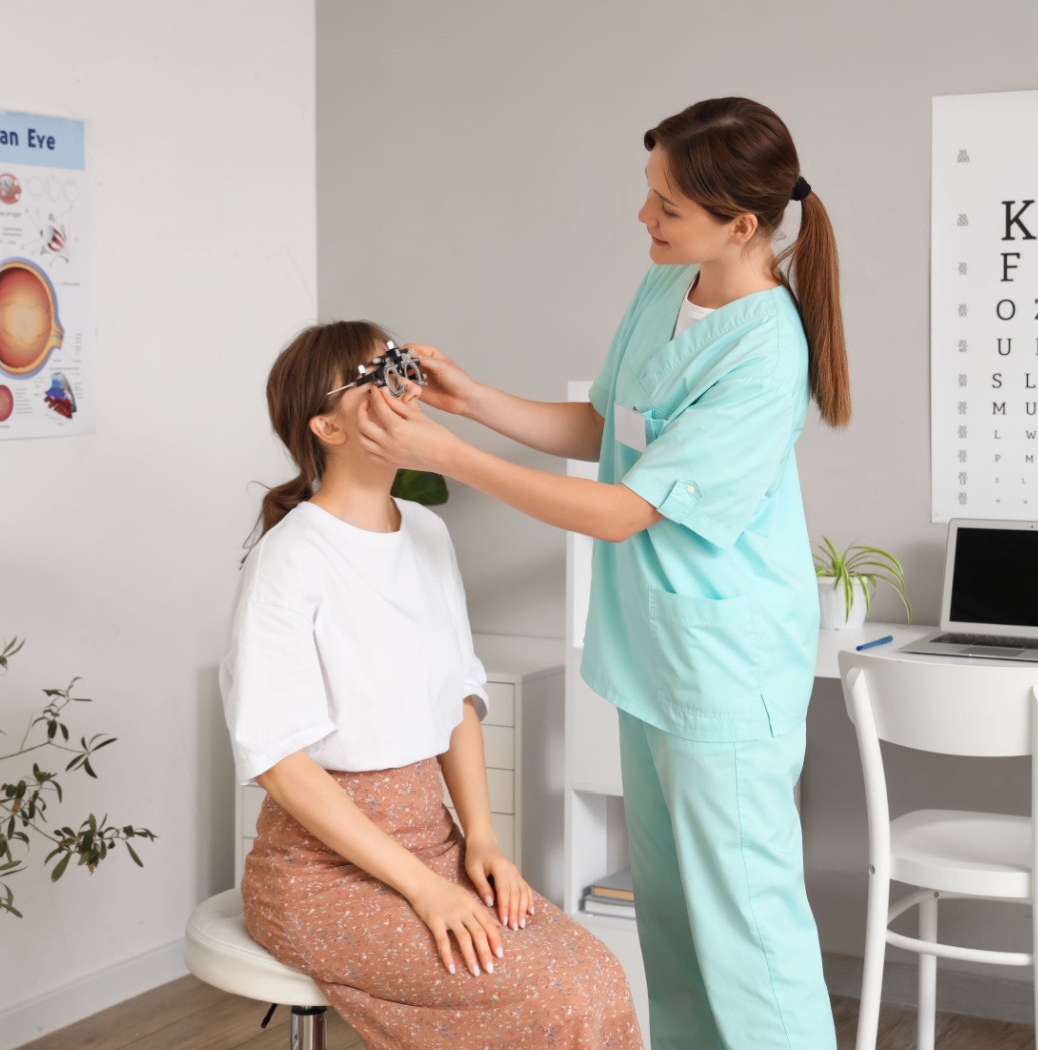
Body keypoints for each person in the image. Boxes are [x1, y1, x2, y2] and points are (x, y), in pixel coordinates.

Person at [356, 98, 849, 1049]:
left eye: (665, 204)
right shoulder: (669, 286)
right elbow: (613, 432)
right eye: (650, 194)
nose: (644, 217)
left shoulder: (765, 350)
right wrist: (474, 402)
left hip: (725, 671)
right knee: (671, 928)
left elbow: (629, 509)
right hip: (653, 655)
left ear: (740, 224)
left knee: (750, 939)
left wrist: (451, 457)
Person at [222, 320, 642, 1050]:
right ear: (326, 426)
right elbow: (281, 765)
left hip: (435, 841)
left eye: (396, 363)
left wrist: (482, 840)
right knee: (552, 1002)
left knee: (597, 974)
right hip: (321, 872)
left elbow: (457, 700)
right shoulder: (290, 559)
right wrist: (422, 888)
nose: (397, 380)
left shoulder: (425, 531)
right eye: (371, 374)